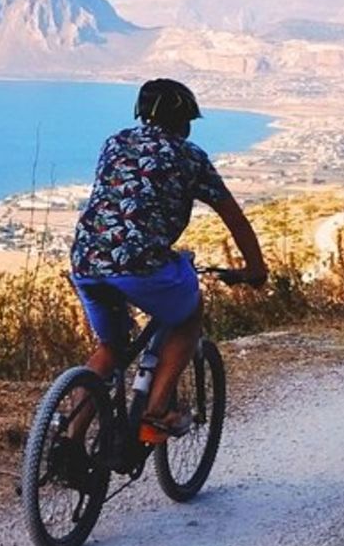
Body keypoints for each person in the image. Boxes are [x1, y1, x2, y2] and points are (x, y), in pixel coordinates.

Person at [70, 78, 267, 443]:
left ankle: (69, 442)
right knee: (188, 317)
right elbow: (235, 220)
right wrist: (256, 270)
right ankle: (156, 411)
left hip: (86, 260)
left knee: (111, 348)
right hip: (140, 263)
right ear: (185, 120)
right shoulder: (190, 157)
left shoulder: (115, 142)